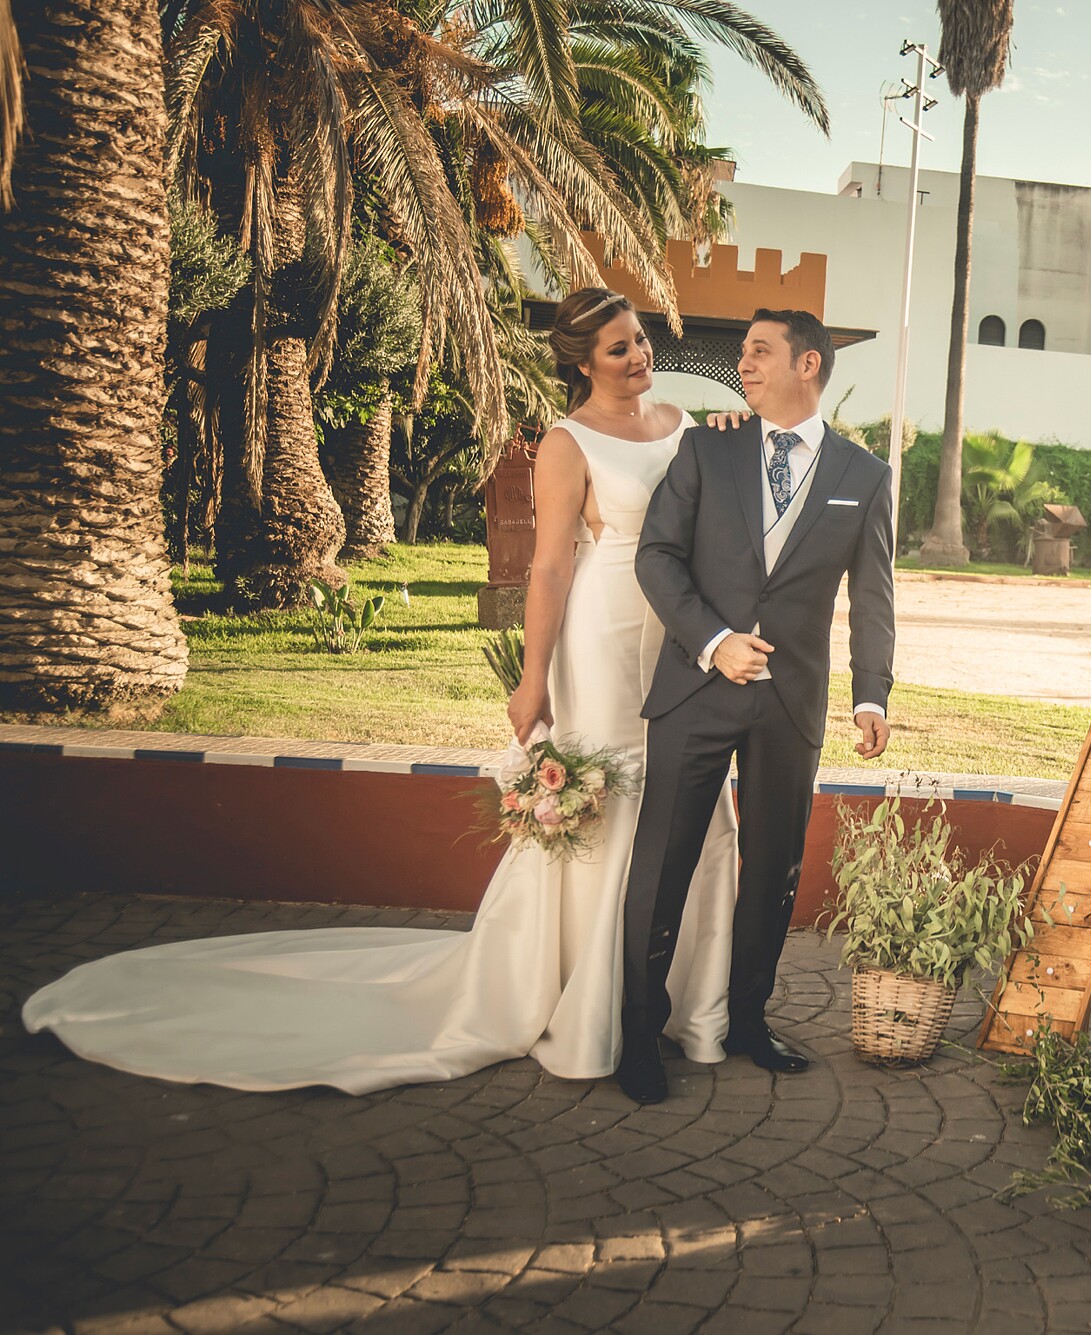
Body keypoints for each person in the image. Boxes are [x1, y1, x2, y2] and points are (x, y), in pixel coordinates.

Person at [21, 288, 743, 1093]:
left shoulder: (682, 423)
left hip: (680, 635)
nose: (639, 356)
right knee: (616, 799)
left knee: (693, 796)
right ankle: (593, 1000)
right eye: (619, 349)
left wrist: (730, 436)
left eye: (640, 340)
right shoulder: (567, 443)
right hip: (605, 635)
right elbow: (548, 566)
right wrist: (533, 677)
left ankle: (682, 1000)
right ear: (581, 361)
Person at [617, 308, 896, 1104]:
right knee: (661, 862)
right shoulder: (708, 447)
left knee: (773, 867)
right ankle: (640, 1034)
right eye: (742, 350)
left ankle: (746, 1018)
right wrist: (714, 642)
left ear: (809, 364)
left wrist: (871, 692)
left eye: (760, 350)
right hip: (696, 689)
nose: (743, 362)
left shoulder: (863, 477)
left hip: (790, 706)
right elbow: (657, 555)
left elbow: (873, 597)